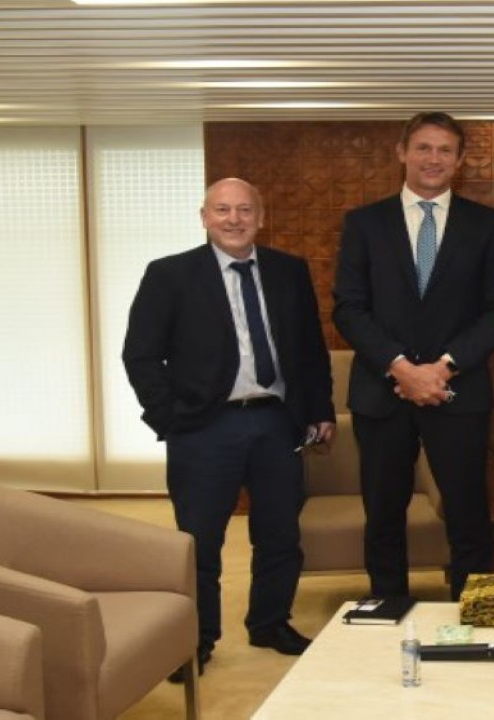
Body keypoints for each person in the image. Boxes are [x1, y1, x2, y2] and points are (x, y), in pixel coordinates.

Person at [123, 177, 336, 680]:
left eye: (244, 210)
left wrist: (320, 409)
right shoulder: (169, 274)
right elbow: (141, 354)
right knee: (200, 541)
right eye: (222, 210)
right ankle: (195, 640)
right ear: (204, 217)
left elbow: (310, 349)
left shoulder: (289, 271)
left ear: (261, 218)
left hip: (275, 421)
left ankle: (269, 623)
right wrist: (169, 418)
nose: (234, 219)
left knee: (280, 533)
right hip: (203, 427)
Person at [333, 111, 494, 600]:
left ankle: (472, 612)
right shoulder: (364, 223)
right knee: (384, 511)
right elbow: (348, 308)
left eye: (444, 150)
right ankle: (388, 607)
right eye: (423, 147)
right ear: (402, 152)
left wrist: (442, 368)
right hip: (382, 391)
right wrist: (399, 366)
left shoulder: (486, 225)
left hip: (456, 390)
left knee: (468, 513)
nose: (433, 159)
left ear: (459, 161)